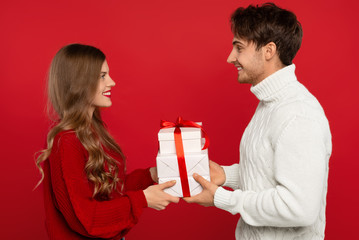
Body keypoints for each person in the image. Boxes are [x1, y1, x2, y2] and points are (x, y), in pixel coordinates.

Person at [184, 2, 332, 240]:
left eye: (239, 48)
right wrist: (225, 175)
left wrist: (223, 198)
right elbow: (269, 173)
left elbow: (299, 208)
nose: (230, 57)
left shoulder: (298, 113)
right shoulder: (269, 104)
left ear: (269, 50)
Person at [35, 43, 179, 240]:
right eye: (102, 76)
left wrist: (152, 175)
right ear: (80, 83)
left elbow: (109, 191)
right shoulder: (66, 142)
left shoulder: (92, 132)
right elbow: (87, 219)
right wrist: (143, 199)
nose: (112, 82)